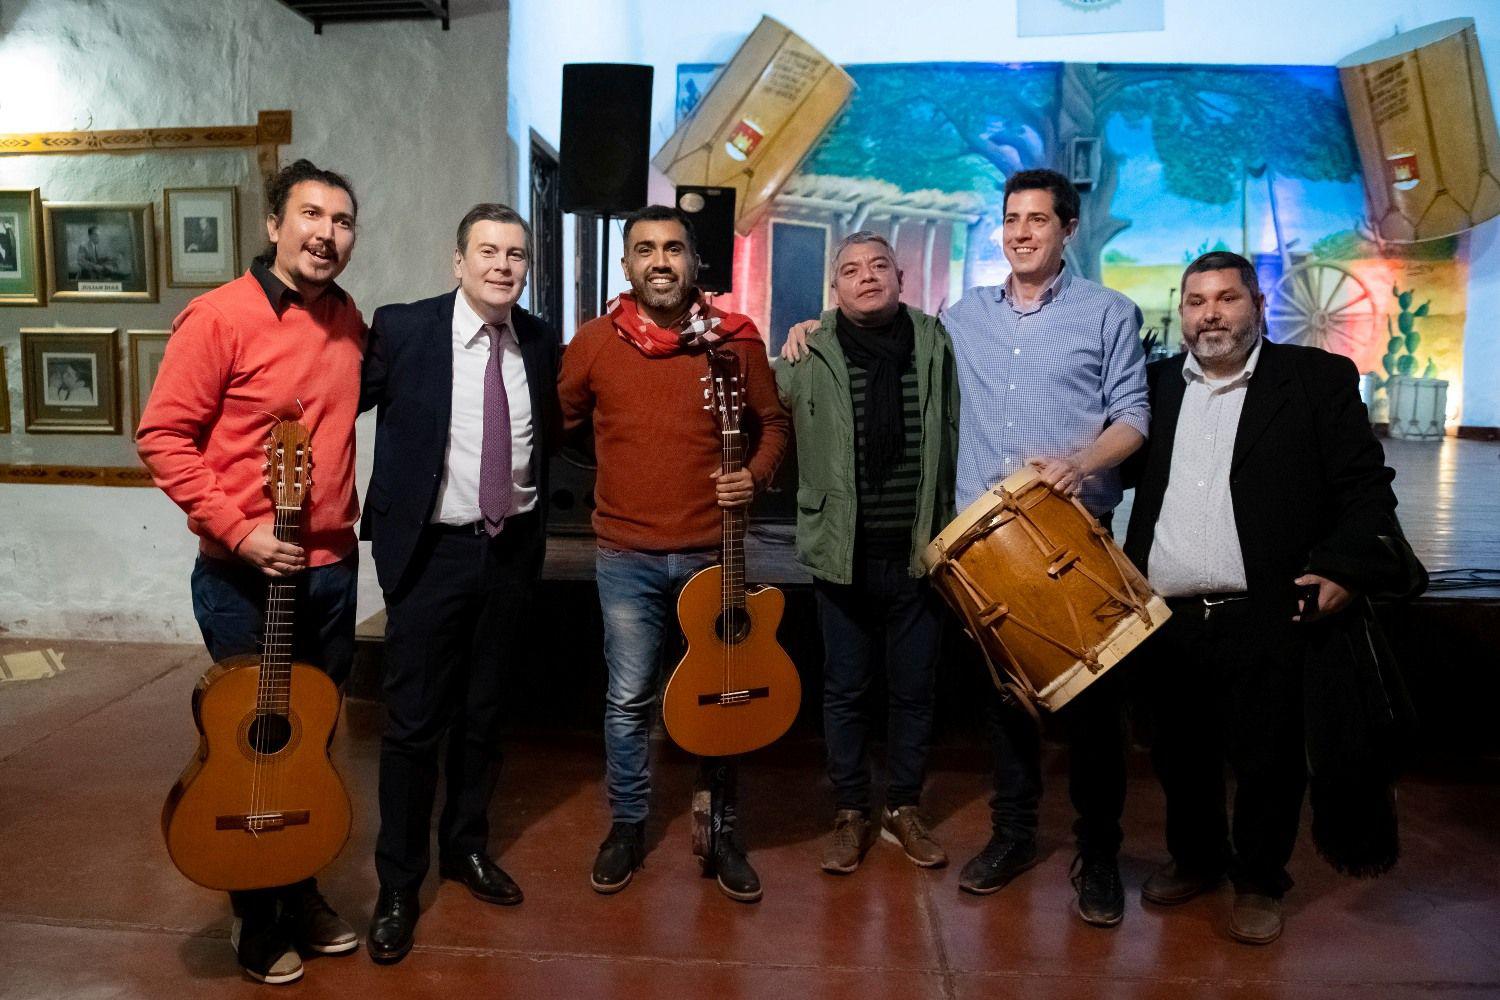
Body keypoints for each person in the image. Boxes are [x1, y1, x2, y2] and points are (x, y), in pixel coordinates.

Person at [784, 169, 1149, 927]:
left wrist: (1081, 462)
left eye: (1038, 220)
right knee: (1004, 705)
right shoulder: (963, 316)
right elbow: (867, 330)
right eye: (1012, 219)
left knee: (1091, 710)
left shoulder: (1109, 313)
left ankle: (1099, 855)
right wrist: (809, 327)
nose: (1021, 232)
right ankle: (1012, 836)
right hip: (980, 545)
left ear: (1068, 229)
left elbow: (1134, 418)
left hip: (1067, 534)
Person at [1123, 251, 1416, 945]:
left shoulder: (1314, 380)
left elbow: (1365, 489)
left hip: (1267, 611)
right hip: (1169, 612)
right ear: (1182, 312)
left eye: (1227, 299)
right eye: (1197, 302)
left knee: (1269, 759)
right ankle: (1196, 858)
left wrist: (1344, 569)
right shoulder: (1156, 388)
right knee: (1179, 752)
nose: (1211, 315)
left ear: (1257, 305)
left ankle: (1258, 880)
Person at [137, 159, 365, 986]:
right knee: (254, 743)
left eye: (342, 221)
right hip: (242, 576)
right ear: (274, 225)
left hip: (331, 570)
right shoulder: (219, 316)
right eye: (311, 215)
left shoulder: (347, 318)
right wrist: (239, 531)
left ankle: (300, 891)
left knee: (311, 743)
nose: (327, 234)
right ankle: (256, 916)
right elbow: (161, 436)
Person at [559, 204, 789, 902]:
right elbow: (565, 424)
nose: (660, 261)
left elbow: (773, 424)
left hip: (714, 553)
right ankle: (628, 825)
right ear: (626, 265)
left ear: (694, 262)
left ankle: (722, 829)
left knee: (721, 697)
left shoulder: (734, 340)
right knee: (629, 698)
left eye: (673, 248)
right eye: (645, 249)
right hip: (625, 554)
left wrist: (754, 476)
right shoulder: (594, 343)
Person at [358, 204, 561, 964]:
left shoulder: (539, 340)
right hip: (430, 556)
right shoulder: (405, 328)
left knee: (484, 718)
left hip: (508, 555)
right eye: (487, 252)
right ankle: (398, 885)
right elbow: (329, 394)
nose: (502, 266)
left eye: (515, 254)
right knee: (413, 727)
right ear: (458, 261)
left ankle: (465, 847)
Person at [774, 231, 958, 875]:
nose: (867, 276)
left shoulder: (937, 342)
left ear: (901, 278)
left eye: (879, 265)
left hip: (919, 553)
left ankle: (903, 807)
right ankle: (850, 810)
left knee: (914, 690)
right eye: (851, 270)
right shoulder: (807, 350)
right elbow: (766, 415)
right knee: (845, 689)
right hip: (840, 553)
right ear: (835, 288)